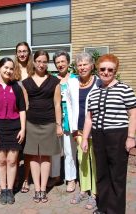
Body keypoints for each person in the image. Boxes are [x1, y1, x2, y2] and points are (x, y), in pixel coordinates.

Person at [81, 54, 136, 214]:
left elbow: (133, 114)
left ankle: (116, 211)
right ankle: (103, 208)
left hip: (118, 136)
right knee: (102, 173)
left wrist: (131, 137)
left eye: (110, 69)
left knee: (117, 176)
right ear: (98, 70)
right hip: (98, 136)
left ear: (115, 70)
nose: (106, 72)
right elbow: (89, 118)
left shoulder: (125, 89)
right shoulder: (93, 92)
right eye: (102, 69)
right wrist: (85, 138)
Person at [0, 57, 26, 205]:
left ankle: (10, 190)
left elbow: (22, 110)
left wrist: (23, 129)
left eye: (11, 68)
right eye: (6, 67)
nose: (8, 70)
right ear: (0, 68)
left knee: (12, 161)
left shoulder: (16, 88)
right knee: (1, 161)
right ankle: (3, 189)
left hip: (14, 128)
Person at [22, 50, 62, 203]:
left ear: (47, 63)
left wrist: (58, 124)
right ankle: (36, 188)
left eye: (44, 61)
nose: (41, 64)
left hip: (49, 123)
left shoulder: (54, 81)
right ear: (34, 62)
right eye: (39, 61)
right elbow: (25, 106)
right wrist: (23, 127)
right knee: (33, 155)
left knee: (45, 156)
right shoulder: (26, 82)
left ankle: (43, 189)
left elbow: (57, 104)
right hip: (31, 123)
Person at [67, 52, 100, 210]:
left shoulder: (99, 83)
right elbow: (70, 106)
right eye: (79, 65)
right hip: (79, 130)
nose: (82, 67)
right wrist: (73, 129)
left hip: (96, 131)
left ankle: (95, 194)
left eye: (85, 64)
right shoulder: (72, 83)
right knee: (83, 161)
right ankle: (84, 190)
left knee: (96, 162)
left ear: (92, 65)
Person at [48, 51, 77, 191]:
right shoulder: (52, 79)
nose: (60, 64)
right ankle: (55, 176)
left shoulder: (75, 79)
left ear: (68, 62)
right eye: (57, 62)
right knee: (54, 150)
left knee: (69, 150)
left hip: (70, 120)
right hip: (54, 119)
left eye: (62, 61)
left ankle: (71, 178)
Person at [13, 42, 33, 193]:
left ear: (28, 52)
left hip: (31, 113)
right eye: (19, 51)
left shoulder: (33, 69)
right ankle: (14, 178)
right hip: (15, 113)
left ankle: (26, 178)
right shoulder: (12, 69)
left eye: (25, 51)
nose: (22, 54)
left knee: (27, 149)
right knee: (15, 148)